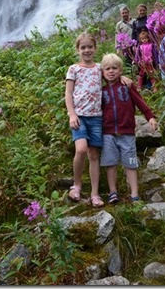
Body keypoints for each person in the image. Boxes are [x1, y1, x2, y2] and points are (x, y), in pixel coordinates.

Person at [65, 33, 131, 208]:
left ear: (95, 48)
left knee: (94, 155)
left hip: (96, 118)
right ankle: (76, 185)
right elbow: (68, 94)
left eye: (90, 47)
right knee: (81, 150)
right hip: (79, 117)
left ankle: (95, 193)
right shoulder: (73, 69)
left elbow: (112, 75)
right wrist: (72, 114)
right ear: (78, 50)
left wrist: (123, 78)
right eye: (83, 47)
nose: (87, 50)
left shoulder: (98, 69)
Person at [100, 53, 157, 204]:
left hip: (127, 132)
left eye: (114, 68)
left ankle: (135, 194)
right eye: (107, 69)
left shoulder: (127, 86)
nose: (111, 71)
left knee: (130, 163)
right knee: (110, 163)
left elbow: (139, 101)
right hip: (108, 133)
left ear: (120, 71)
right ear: (102, 72)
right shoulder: (101, 91)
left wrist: (149, 116)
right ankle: (113, 192)